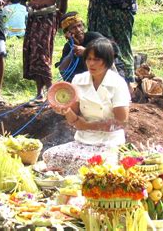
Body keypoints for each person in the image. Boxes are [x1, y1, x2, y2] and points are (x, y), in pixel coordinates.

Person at [42, 38, 130, 175]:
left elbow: (121, 122)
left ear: (107, 61)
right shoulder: (79, 80)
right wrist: (64, 110)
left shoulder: (117, 83)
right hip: (83, 139)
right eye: (88, 59)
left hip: (109, 141)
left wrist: (88, 126)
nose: (91, 63)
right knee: (50, 155)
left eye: (97, 60)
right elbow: (74, 117)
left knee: (94, 166)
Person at [23, 0, 68, 103]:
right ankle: (39, 92)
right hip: (33, 16)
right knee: (32, 52)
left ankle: (52, 91)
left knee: (43, 53)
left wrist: (59, 17)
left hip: (48, 15)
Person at [56, 11, 126, 82]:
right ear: (67, 33)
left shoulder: (94, 37)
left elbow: (112, 51)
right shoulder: (68, 46)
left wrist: (86, 52)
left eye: (80, 26)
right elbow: (62, 68)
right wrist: (72, 51)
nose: (78, 30)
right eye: (73, 28)